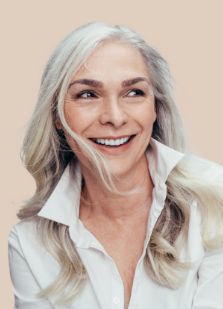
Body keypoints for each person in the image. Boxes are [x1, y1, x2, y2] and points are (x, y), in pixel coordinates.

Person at [8, 22, 223, 309]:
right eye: (87, 94)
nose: (115, 117)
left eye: (134, 92)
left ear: (155, 109)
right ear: (57, 115)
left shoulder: (214, 203)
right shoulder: (29, 244)